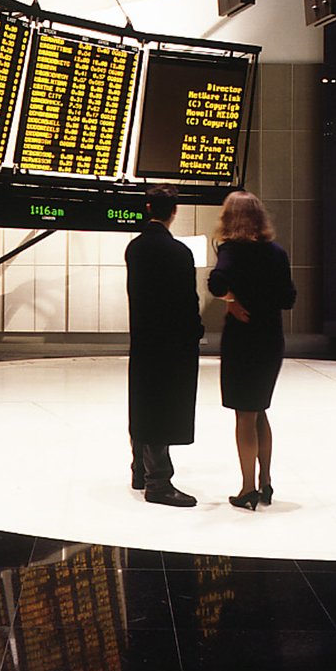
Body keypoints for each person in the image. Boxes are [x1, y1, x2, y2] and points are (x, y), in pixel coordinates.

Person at [206, 191, 296, 511]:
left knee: (245, 415)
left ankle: (247, 490)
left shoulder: (232, 250)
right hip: (271, 339)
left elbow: (216, 282)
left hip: (243, 340)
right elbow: (289, 298)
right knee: (260, 410)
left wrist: (232, 301)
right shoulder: (277, 252)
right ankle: (266, 483)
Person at [125, 184, 203, 507]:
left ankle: (139, 470)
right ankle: (158, 483)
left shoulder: (134, 249)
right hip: (171, 342)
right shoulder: (180, 253)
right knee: (162, 406)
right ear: (174, 212)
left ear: (147, 208)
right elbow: (187, 301)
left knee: (143, 399)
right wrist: (196, 331)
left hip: (143, 338)